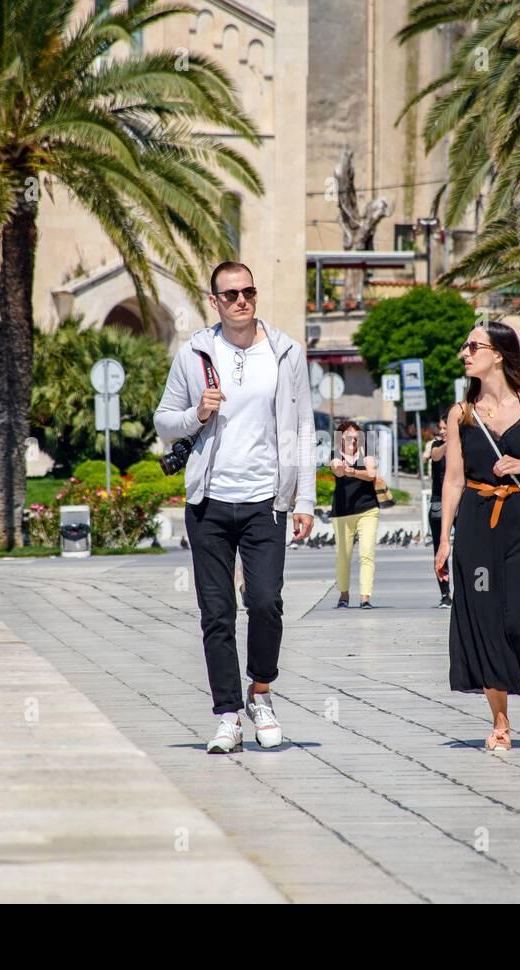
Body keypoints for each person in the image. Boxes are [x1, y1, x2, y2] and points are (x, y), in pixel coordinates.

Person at [154, 261, 316, 755]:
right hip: (209, 502)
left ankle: (260, 693)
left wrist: (305, 497)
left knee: (266, 602)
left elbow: (302, 428)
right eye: (230, 294)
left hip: (266, 500)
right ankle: (227, 714)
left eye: (248, 291)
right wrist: (196, 413)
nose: (241, 300)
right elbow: (164, 422)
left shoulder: (286, 352)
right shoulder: (195, 353)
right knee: (217, 613)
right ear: (215, 301)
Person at [434, 321, 520, 750]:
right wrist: (444, 539)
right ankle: (499, 720)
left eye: (473, 345)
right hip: (475, 524)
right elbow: (454, 479)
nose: (464, 352)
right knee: (482, 620)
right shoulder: (461, 413)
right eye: (465, 346)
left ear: (498, 353)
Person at [330, 420, 380, 608]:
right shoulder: (336, 455)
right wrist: (343, 470)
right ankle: (344, 596)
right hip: (342, 513)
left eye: (356, 436)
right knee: (343, 555)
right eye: (348, 436)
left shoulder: (366, 454)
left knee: (366, 553)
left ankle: (365, 598)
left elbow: (371, 474)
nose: (352, 439)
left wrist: (353, 472)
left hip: (368, 510)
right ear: (340, 439)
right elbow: (336, 468)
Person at [426, 419, 452, 607]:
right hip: (439, 504)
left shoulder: (465, 445)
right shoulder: (437, 446)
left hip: (461, 502)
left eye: (446, 428)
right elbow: (434, 456)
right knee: (440, 550)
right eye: (440, 428)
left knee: (468, 549)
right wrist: (448, 443)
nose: (442, 431)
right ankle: (445, 594)